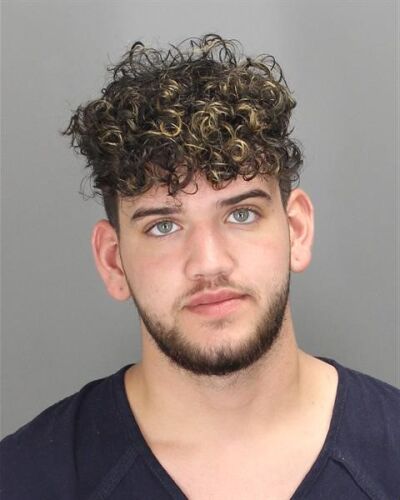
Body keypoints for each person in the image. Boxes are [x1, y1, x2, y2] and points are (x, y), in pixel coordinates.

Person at [1, 34, 399, 500]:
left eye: (241, 214)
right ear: (113, 261)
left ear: (297, 230)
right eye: (163, 226)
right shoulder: (23, 478)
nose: (209, 263)